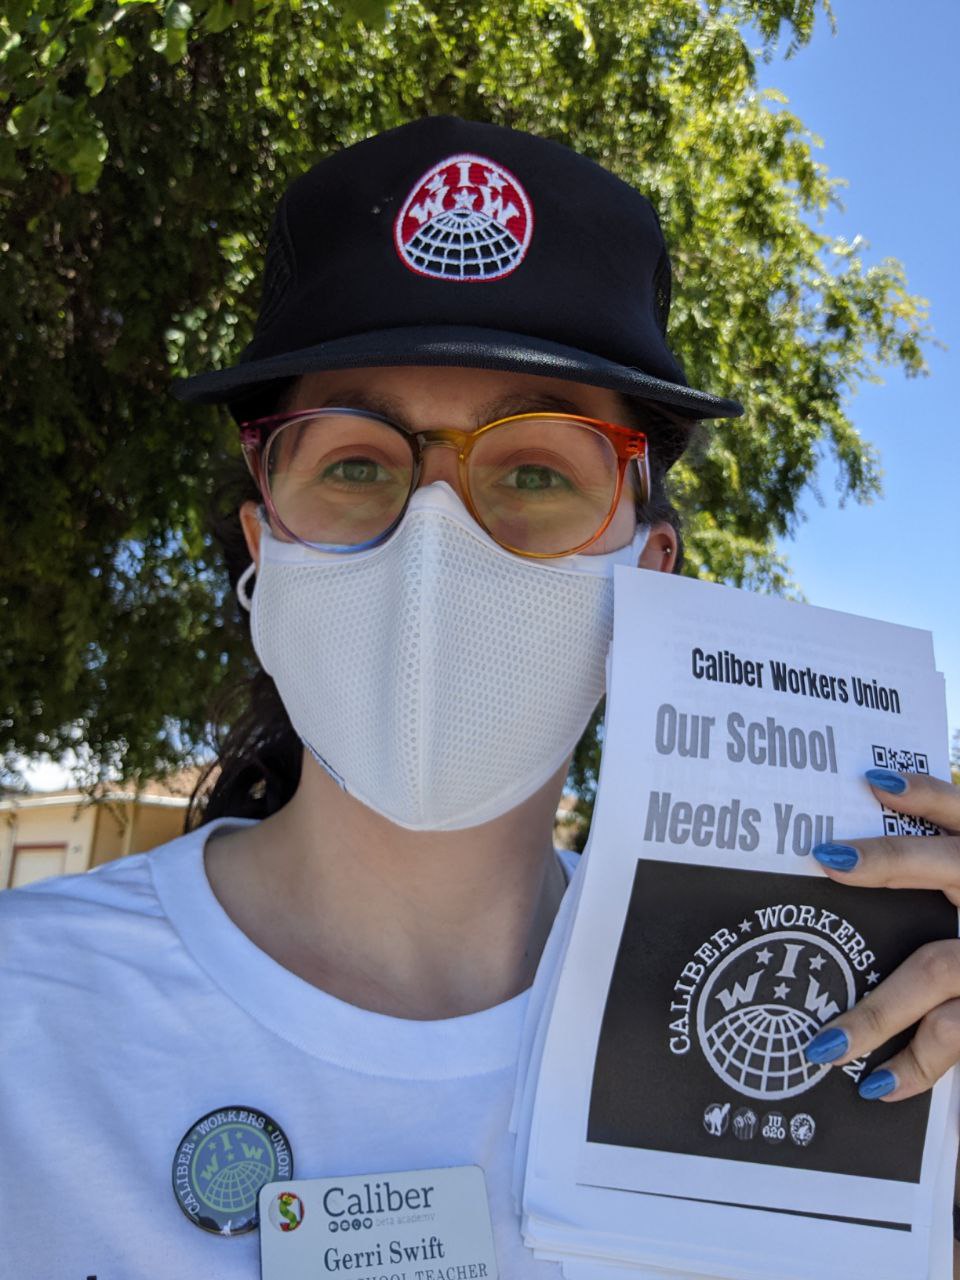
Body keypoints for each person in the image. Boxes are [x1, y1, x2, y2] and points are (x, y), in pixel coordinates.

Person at [1, 115, 958, 1278]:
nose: (438, 538)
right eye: (355, 459)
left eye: (537, 468)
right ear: (265, 550)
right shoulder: (25, 1027)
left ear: (648, 579)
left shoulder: (830, 1054)